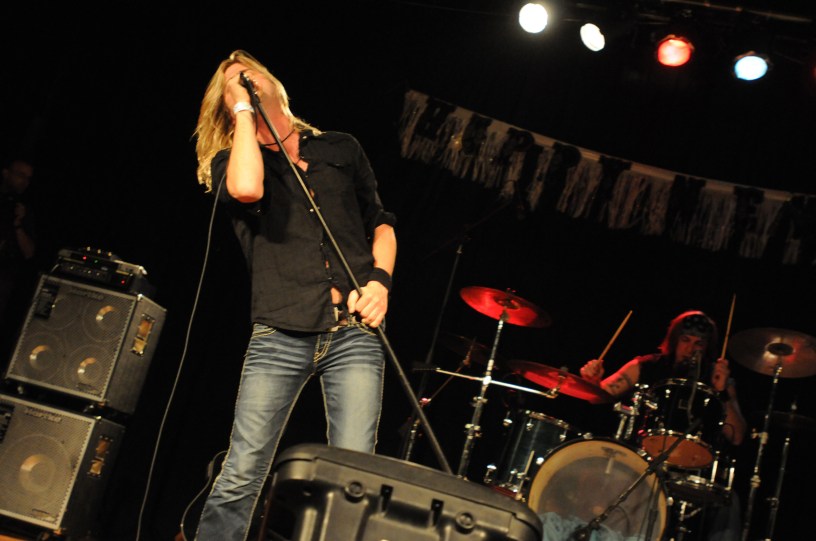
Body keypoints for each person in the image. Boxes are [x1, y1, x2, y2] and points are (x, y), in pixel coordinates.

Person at [192, 49, 397, 541]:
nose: (244, 79)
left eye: (250, 73)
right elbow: (246, 189)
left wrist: (380, 283)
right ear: (225, 103)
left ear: (276, 83)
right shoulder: (235, 161)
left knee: (353, 477)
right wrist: (242, 111)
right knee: (244, 468)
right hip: (280, 331)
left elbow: (382, 223)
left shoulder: (340, 147)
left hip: (355, 331)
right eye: (234, 82)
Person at [580, 310, 747, 541]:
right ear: (674, 339)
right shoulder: (647, 365)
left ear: (707, 347)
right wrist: (592, 381)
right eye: (685, 340)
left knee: (730, 502)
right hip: (643, 462)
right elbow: (597, 395)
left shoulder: (718, 376)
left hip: (693, 469)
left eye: (699, 343)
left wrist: (722, 393)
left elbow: (737, 436)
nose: (690, 349)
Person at [0, 156, 36, 355]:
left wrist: (18, 224)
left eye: (28, 178)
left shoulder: (22, 209)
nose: (24, 182)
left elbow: (29, 252)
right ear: (6, 174)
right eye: (20, 175)